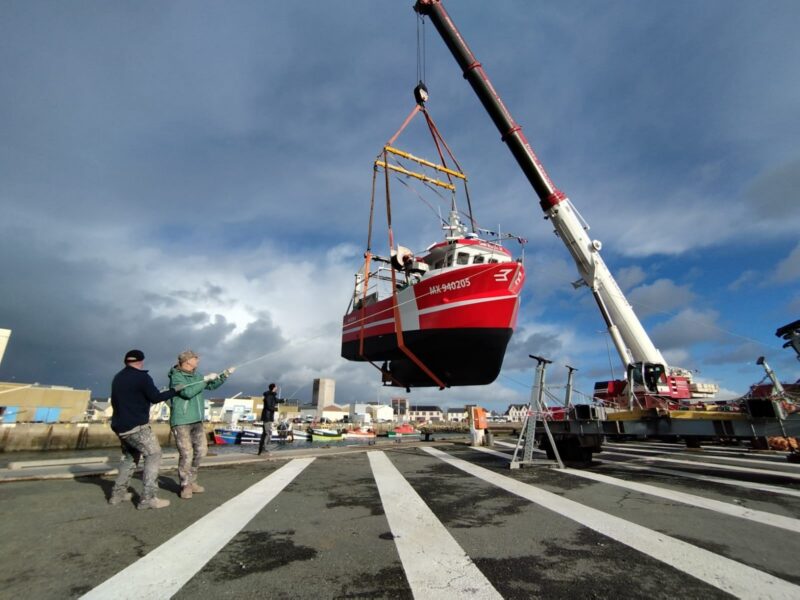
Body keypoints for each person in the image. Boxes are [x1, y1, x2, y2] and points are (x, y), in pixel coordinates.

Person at [109, 349, 178, 509]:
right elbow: (155, 397)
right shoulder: (142, 377)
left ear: (126, 361)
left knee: (129, 458)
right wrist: (174, 391)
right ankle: (148, 498)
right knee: (154, 454)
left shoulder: (118, 378)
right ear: (141, 361)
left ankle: (117, 495)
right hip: (137, 427)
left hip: (119, 427)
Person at [168, 350, 233, 499]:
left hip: (197, 420)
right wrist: (204, 380)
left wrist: (224, 375)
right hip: (181, 421)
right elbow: (187, 393)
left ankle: (192, 480)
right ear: (187, 361)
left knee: (202, 451)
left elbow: (211, 386)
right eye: (195, 359)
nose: (198, 361)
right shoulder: (176, 376)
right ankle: (185, 485)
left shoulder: (197, 375)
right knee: (186, 454)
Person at [258, 383, 285, 455]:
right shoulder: (269, 396)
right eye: (276, 387)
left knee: (266, 433)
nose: (277, 388)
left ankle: (261, 450)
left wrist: (283, 400)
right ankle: (264, 450)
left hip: (268, 416)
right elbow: (268, 406)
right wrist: (275, 409)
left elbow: (277, 400)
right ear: (273, 388)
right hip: (267, 417)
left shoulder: (272, 395)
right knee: (268, 433)